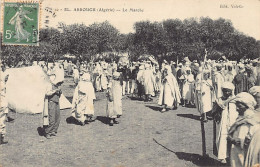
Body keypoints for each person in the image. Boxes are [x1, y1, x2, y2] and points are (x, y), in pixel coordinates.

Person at [228, 92, 260, 167]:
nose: (237, 108)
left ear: (247, 106)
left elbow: (250, 140)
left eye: (239, 106)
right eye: (236, 106)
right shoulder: (241, 117)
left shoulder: (251, 119)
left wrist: (236, 141)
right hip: (236, 151)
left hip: (244, 153)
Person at [212, 82, 238, 164]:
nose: (227, 93)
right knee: (222, 138)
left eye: (228, 91)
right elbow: (214, 112)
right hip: (223, 122)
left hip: (233, 121)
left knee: (233, 138)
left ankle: (232, 156)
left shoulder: (236, 100)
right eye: (225, 91)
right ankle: (222, 156)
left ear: (232, 91)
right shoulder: (219, 100)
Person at [44, 73, 62, 139]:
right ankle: (47, 132)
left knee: (57, 117)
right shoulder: (49, 85)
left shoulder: (56, 85)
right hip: (51, 102)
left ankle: (53, 131)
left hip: (57, 102)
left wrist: (59, 91)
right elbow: (47, 93)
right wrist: (55, 91)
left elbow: (59, 95)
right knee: (52, 118)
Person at [0, 74, 9, 144]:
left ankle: (1, 138)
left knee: (2, 122)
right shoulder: (2, 84)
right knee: (1, 122)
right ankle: (1, 139)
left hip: (3, 105)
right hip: (2, 105)